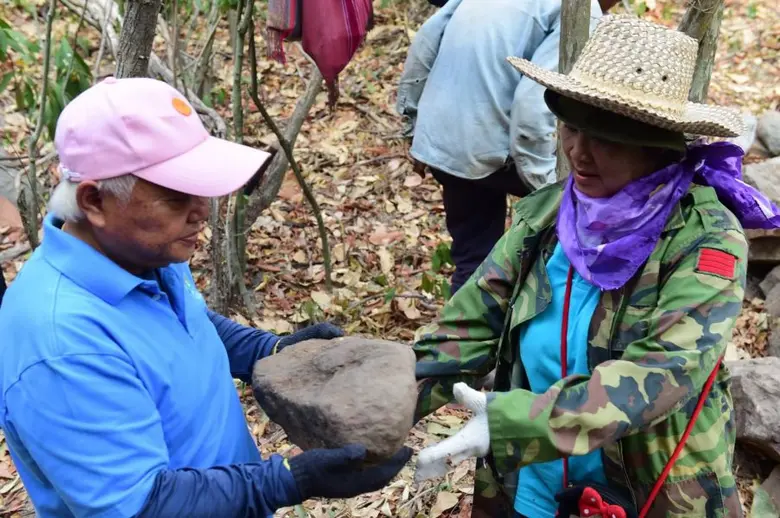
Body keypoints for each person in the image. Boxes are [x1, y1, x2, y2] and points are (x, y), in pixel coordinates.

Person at [410, 15, 775, 518]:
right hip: (531, 484)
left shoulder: (705, 240)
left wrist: (517, 423)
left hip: (649, 489)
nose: (578, 151)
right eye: (571, 127)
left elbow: (664, 370)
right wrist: (391, 401)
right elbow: (470, 323)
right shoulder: (545, 215)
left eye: (604, 138)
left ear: (655, 145)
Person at [0, 77, 412, 518]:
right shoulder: (61, 343)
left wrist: (268, 350)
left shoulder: (143, 255)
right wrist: (290, 480)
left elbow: (183, 326)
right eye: (176, 195)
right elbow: (141, 507)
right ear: (94, 201)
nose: (201, 209)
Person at [396, 0, 618, 294]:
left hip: (443, 138)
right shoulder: (579, 9)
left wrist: (413, 126)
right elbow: (531, 107)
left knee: (474, 262)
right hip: (491, 141)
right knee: (570, 231)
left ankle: (462, 332)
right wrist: (548, 188)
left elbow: (425, 42)